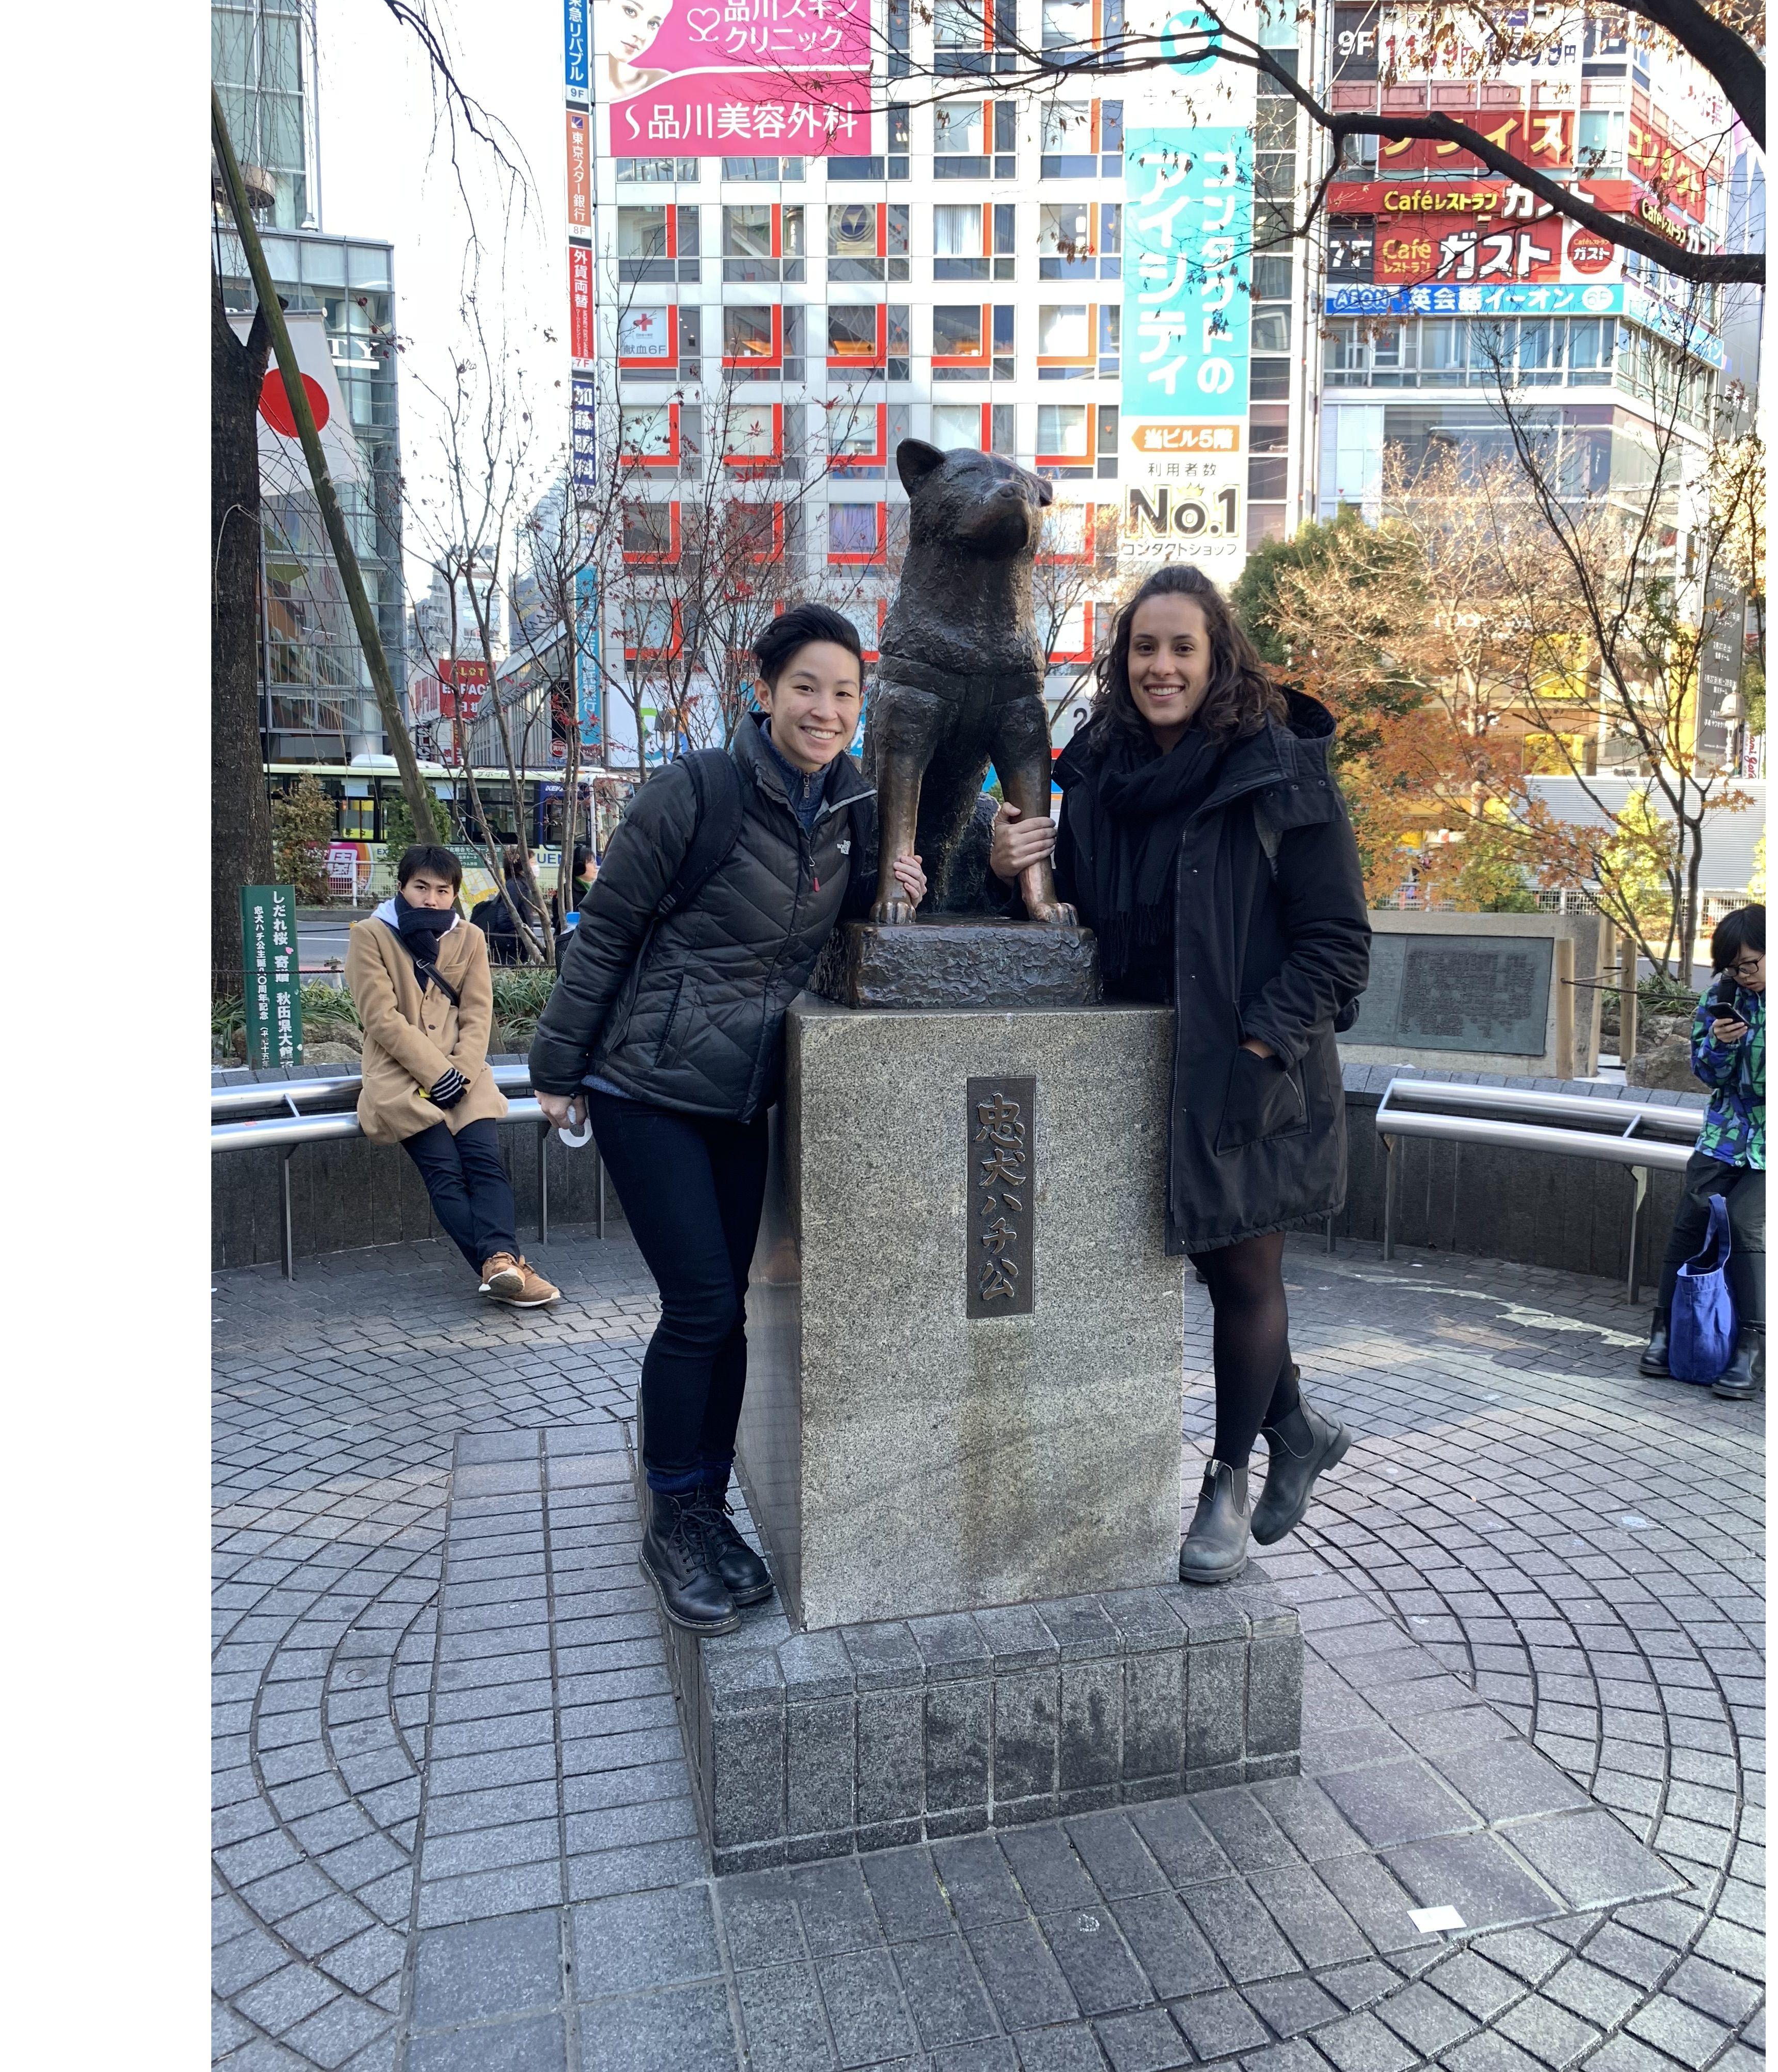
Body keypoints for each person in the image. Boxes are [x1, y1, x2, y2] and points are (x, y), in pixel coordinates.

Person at [528, 604, 927, 1634]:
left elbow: (844, 932)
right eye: (807, 687)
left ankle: (706, 1503)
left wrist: (904, 889)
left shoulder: (852, 814)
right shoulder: (695, 791)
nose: (827, 709)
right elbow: (607, 931)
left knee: (732, 1313)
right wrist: (558, 1067)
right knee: (701, 1307)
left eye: (846, 693)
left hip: (742, 1101)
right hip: (646, 1088)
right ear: (764, 690)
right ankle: (676, 1516)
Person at [989, 565, 1373, 1584]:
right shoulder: (1099, 773)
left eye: (1182, 648)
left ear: (1219, 657)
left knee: (1245, 1274)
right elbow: (1076, 916)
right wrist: (1012, 867)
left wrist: (1256, 1051)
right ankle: (1299, 1431)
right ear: (1123, 663)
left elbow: (1337, 944)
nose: (1161, 668)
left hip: (1251, 1068)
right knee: (1205, 1259)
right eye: (1144, 649)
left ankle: (1228, 1479)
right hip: (1135, 1068)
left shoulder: (1278, 768)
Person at [347, 845, 561, 1308]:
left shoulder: (470, 938)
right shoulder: (371, 934)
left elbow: (478, 1013)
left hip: (464, 1076)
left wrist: (459, 1074)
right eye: (421, 887)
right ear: (402, 887)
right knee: (445, 1171)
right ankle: (508, 1266)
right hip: (399, 1076)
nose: (431, 899)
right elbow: (380, 1018)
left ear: (454, 895)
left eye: (443, 891)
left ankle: (501, 1264)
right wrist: (434, 1072)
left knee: (486, 1163)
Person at [1639, 904, 1765, 1400]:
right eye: (1733, 967)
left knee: (1744, 1220)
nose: (1742, 976)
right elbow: (1707, 1074)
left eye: (1750, 964)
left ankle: (1750, 1347)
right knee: (1689, 1220)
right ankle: (1664, 1330)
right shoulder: (1722, 996)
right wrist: (1721, 1044)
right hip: (1726, 1132)